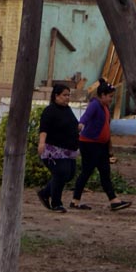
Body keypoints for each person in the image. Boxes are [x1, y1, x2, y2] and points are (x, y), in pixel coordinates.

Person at [71, 79, 131, 211]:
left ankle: (113, 200)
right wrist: (81, 124)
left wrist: (109, 146)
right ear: (102, 95)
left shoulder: (105, 107)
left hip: (100, 145)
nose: (111, 99)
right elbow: (86, 116)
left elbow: (105, 127)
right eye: (110, 96)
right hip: (90, 144)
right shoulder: (95, 105)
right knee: (87, 172)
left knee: (104, 172)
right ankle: (75, 201)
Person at [37, 84, 80, 213]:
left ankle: (45, 193)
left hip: (69, 150)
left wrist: (78, 128)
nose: (67, 98)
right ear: (56, 96)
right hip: (54, 150)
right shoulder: (50, 110)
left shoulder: (67, 109)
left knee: (69, 174)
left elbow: (72, 124)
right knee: (60, 173)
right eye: (64, 95)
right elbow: (44, 129)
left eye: (68, 95)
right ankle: (56, 203)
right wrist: (41, 143)